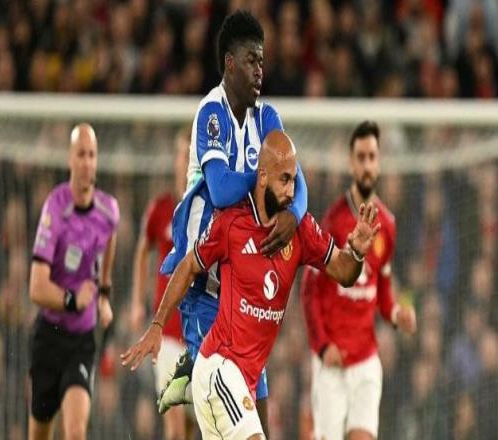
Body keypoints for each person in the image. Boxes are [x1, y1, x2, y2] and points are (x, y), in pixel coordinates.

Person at [121, 130, 380, 440]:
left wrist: (357, 252)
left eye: (294, 180)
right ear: (262, 176)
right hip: (218, 368)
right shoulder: (232, 223)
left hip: (247, 379)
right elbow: (189, 265)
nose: (291, 191)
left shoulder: (300, 230)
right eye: (284, 180)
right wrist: (158, 323)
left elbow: (344, 272)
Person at [157, 10, 308, 434]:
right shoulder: (212, 113)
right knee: (219, 421)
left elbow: (296, 178)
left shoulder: (268, 118)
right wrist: (265, 177)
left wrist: (294, 213)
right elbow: (221, 190)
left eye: (262, 60)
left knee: (257, 414)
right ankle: (191, 371)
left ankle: (190, 376)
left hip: (239, 288)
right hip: (203, 282)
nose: (260, 69)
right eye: (251, 60)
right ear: (229, 62)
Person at [300, 120, 417, 440]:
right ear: (351, 163)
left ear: (379, 162)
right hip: (333, 362)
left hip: (365, 359)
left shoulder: (388, 225)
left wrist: (397, 314)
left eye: (372, 157)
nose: (367, 165)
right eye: (361, 157)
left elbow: (382, 290)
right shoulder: (333, 221)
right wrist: (323, 347)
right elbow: (309, 292)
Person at [28, 123, 119, 440]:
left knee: (76, 431)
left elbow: (110, 240)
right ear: (69, 159)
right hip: (49, 338)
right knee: (39, 433)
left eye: (92, 155)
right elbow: (36, 288)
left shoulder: (109, 211)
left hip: (81, 341)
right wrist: (72, 298)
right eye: (81, 154)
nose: (87, 162)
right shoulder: (55, 207)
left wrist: (103, 294)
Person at [130, 127, 192, 440]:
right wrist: (136, 301)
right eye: (183, 154)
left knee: (195, 426)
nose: (187, 161)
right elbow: (142, 249)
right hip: (166, 331)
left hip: (200, 333)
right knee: (175, 425)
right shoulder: (162, 208)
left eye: (192, 155)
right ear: (176, 160)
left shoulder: (209, 210)